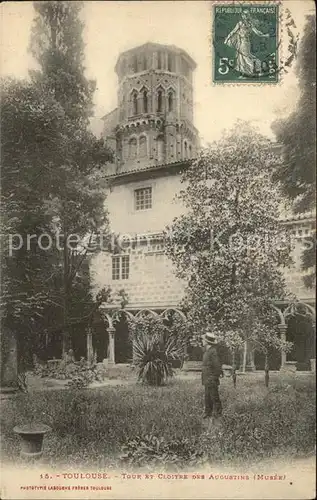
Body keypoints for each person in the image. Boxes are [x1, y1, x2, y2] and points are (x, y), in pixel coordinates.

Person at [224, 11, 270, 77]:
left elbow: (257, 33)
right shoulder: (246, 24)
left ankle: (258, 69)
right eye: (244, 15)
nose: (244, 16)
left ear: (246, 16)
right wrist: (227, 38)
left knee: (245, 57)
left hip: (244, 43)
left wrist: (264, 35)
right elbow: (233, 32)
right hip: (243, 43)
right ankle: (244, 73)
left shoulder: (245, 24)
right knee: (242, 57)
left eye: (245, 15)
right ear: (242, 16)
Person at [201, 331, 223, 419]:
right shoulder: (207, 351)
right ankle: (208, 412)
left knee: (214, 396)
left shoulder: (213, 352)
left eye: (203, 340)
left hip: (211, 378)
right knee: (207, 396)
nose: (202, 341)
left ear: (207, 342)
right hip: (207, 378)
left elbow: (217, 366)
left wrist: (213, 377)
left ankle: (218, 413)